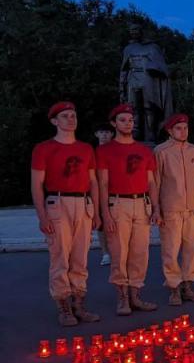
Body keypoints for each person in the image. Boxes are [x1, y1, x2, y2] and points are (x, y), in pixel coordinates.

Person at [30, 101, 102, 326]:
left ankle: (79, 303)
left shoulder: (85, 148)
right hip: (58, 202)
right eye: (65, 116)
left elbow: (93, 182)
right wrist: (42, 216)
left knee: (80, 257)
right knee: (60, 256)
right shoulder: (43, 149)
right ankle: (63, 304)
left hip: (83, 203)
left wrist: (97, 212)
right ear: (54, 121)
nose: (71, 119)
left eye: (73, 115)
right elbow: (36, 185)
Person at [97, 103, 159, 315]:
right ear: (114, 123)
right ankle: (122, 297)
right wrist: (105, 213)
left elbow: (152, 182)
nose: (128, 123)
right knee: (119, 251)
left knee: (140, 252)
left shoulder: (143, 150)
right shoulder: (105, 150)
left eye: (131, 120)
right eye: (122, 120)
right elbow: (103, 183)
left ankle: (136, 295)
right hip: (118, 203)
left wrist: (156, 207)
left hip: (141, 203)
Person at [153, 113, 194, 306]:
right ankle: (174, 287)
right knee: (170, 249)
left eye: (185, 128)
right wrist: (156, 209)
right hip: (171, 208)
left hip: (191, 208)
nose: (183, 131)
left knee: (191, 249)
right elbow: (156, 182)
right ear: (170, 130)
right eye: (178, 128)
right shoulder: (161, 151)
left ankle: (188, 285)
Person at [94, 126, 113, 266]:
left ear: (112, 133)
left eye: (106, 131)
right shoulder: (93, 152)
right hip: (99, 193)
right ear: (96, 134)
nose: (104, 135)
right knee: (101, 225)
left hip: (116, 191)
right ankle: (105, 253)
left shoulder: (116, 151)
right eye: (102, 131)